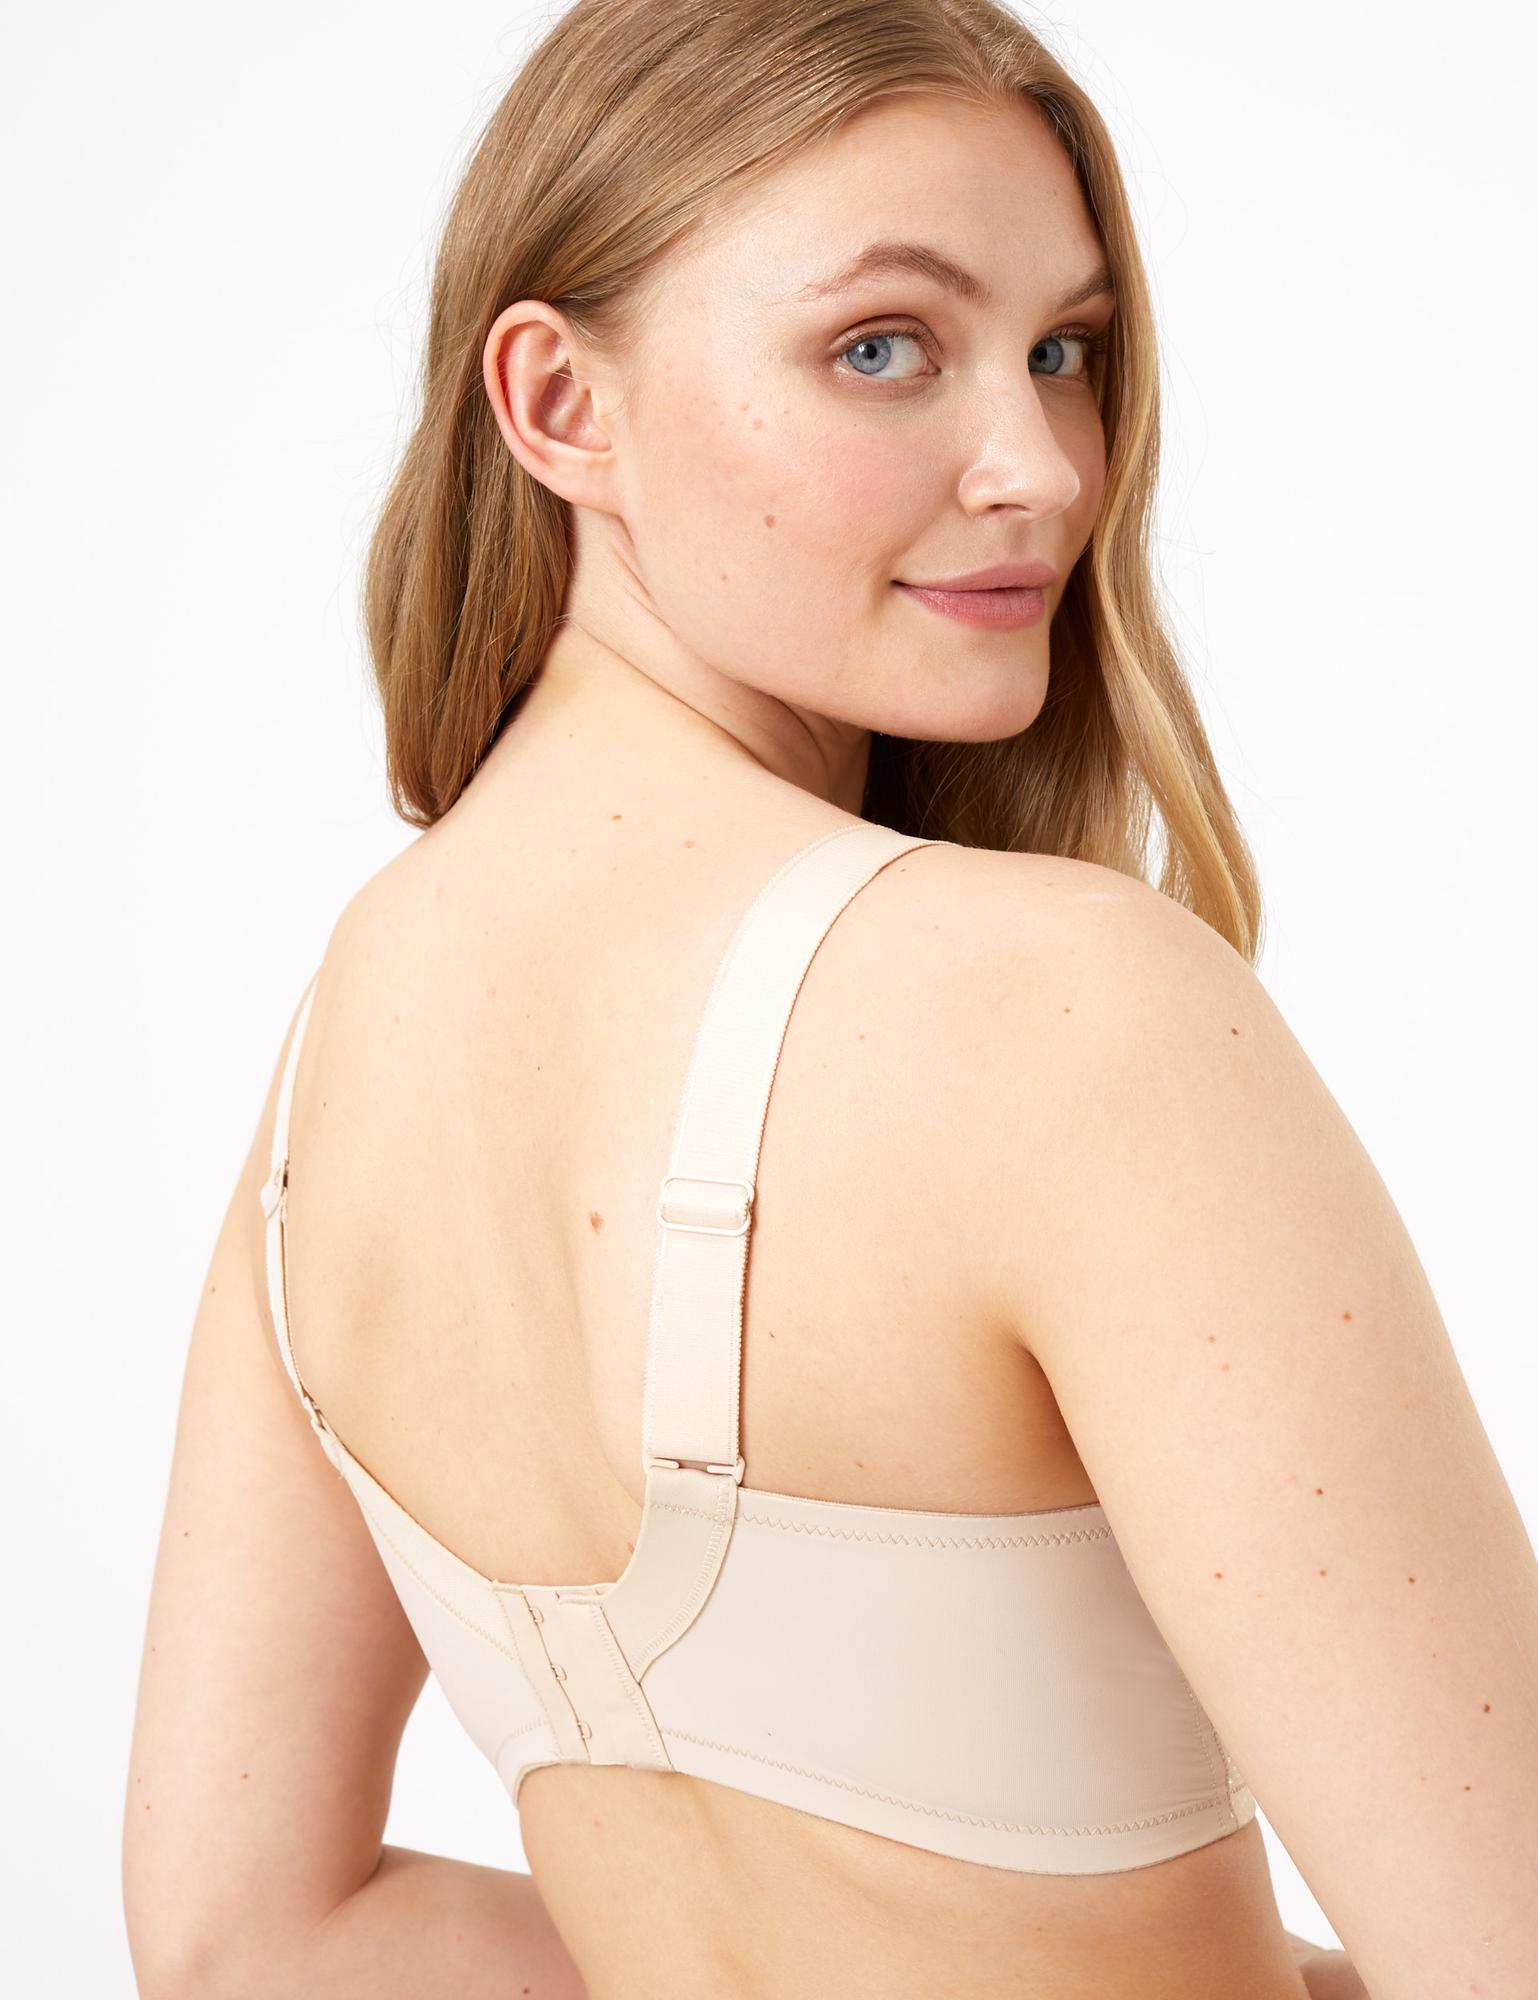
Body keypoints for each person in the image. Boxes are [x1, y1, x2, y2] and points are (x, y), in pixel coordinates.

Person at [122, 2, 1538, 1996]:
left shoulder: (344, 1052)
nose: (1038, 466)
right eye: (882, 347)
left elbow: (249, 1936)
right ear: (558, 403)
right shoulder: (1057, 1011)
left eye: (1062, 350)